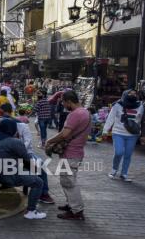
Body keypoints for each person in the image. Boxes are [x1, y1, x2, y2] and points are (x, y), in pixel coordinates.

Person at [0, 119, 46, 220]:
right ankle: (31, 211)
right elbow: (28, 159)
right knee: (39, 182)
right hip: (4, 175)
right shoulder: (15, 141)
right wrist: (37, 169)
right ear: (13, 129)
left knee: (27, 172)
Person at [46, 90, 90, 220]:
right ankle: (71, 204)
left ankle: (76, 210)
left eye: (63, 102)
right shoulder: (85, 112)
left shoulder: (74, 114)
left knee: (68, 182)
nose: (63, 105)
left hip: (71, 153)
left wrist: (50, 140)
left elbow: (64, 134)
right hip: (77, 152)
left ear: (69, 101)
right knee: (69, 180)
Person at [102, 89, 144, 182]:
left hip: (133, 135)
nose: (132, 95)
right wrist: (105, 131)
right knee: (119, 152)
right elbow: (110, 118)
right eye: (130, 93)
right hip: (118, 133)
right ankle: (114, 170)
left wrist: (142, 135)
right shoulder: (117, 105)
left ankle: (124, 173)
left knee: (128, 155)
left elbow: (142, 120)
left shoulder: (140, 106)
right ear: (125, 94)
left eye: (134, 94)